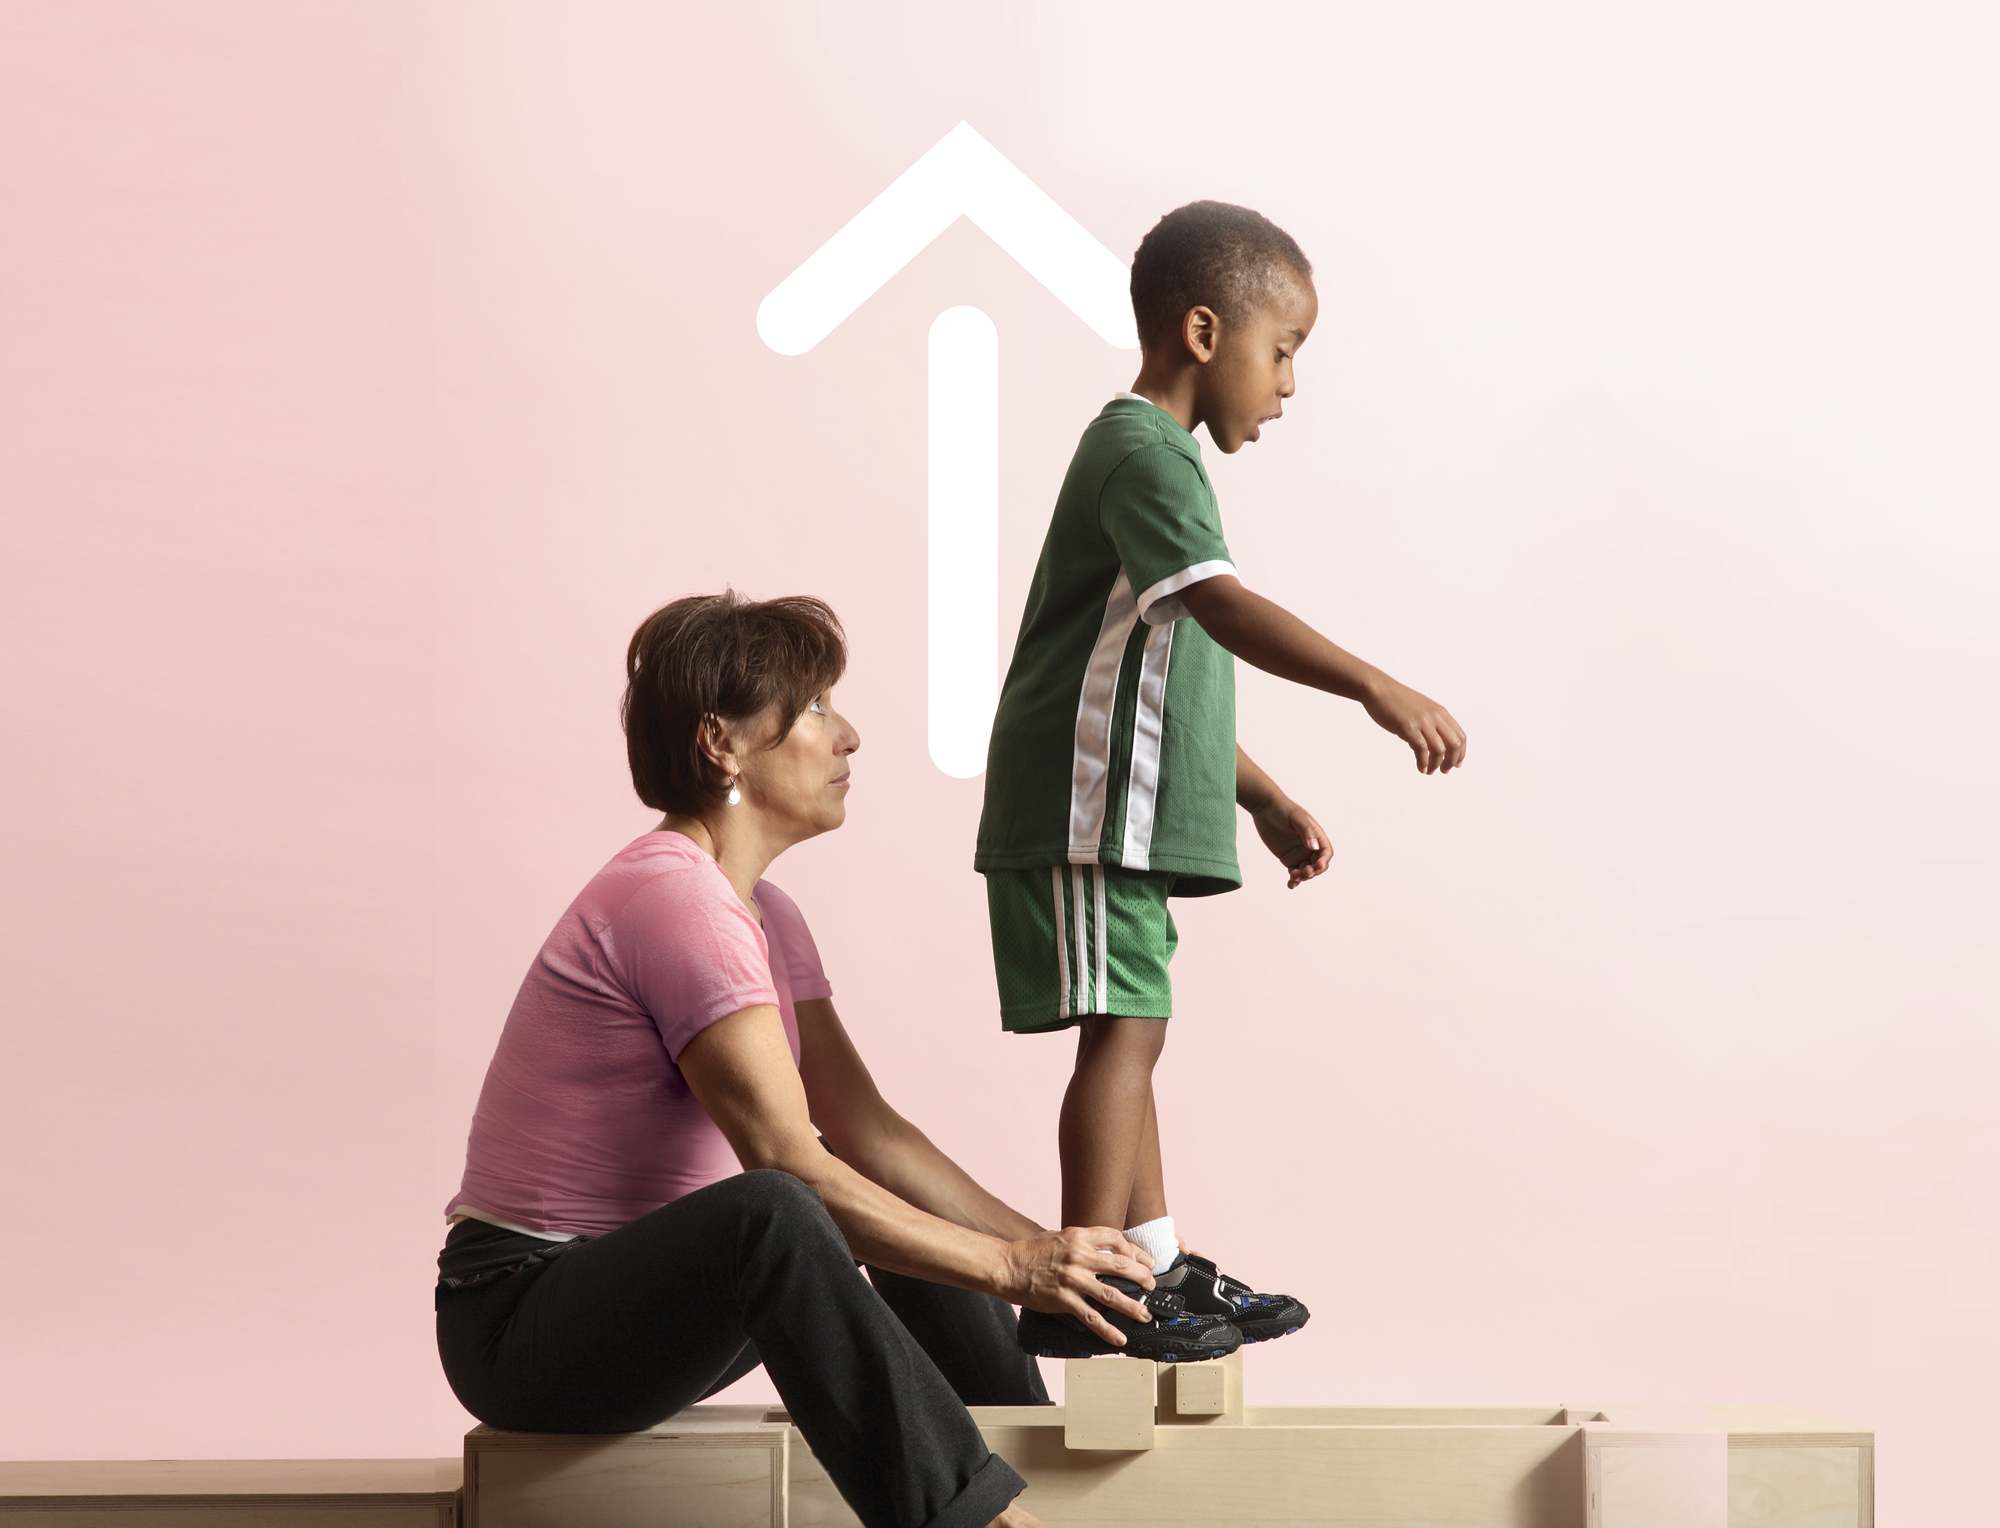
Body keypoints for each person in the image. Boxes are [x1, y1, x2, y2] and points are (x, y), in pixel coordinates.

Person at [435, 592, 1184, 1528]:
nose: (850, 736)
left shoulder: (762, 914)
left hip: (670, 1305)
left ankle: (1029, 1446)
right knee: (779, 1207)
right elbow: (788, 1166)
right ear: (723, 743)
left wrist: (1072, 1269)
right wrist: (1012, 1266)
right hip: (521, 1319)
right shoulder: (675, 902)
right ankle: (975, 1519)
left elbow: (870, 1133)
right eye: (820, 707)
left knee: (861, 1188)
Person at [976, 201, 1470, 1360]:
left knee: (1131, 1026)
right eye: (1283, 349)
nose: (1290, 383)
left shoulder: (1164, 468)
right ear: (1204, 332)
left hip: (1117, 811)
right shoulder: (1141, 451)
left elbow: (1165, 680)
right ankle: (1086, 1290)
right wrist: (1370, 686)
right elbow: (1222, 609)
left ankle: (1147, 1262)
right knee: (1123, 1031)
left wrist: (1258, 794)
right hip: (1081, 810)